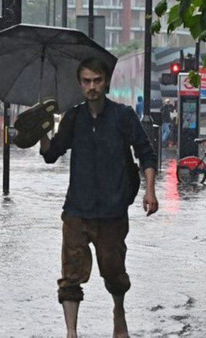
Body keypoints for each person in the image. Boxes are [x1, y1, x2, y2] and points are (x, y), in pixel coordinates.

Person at [39, 58, 159, 338]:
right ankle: (71, 331)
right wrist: (41, 131)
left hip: (112, 211)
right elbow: (51, 154)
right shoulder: (74, 117)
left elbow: (146, 153)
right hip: (77, 209)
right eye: (86, 81)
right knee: (70, 274)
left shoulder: (123, 116)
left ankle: (119, 311)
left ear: (106, 82)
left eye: (96, 81)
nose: (91, 87)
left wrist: (150, 191)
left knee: (114, 271)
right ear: (80, 84)